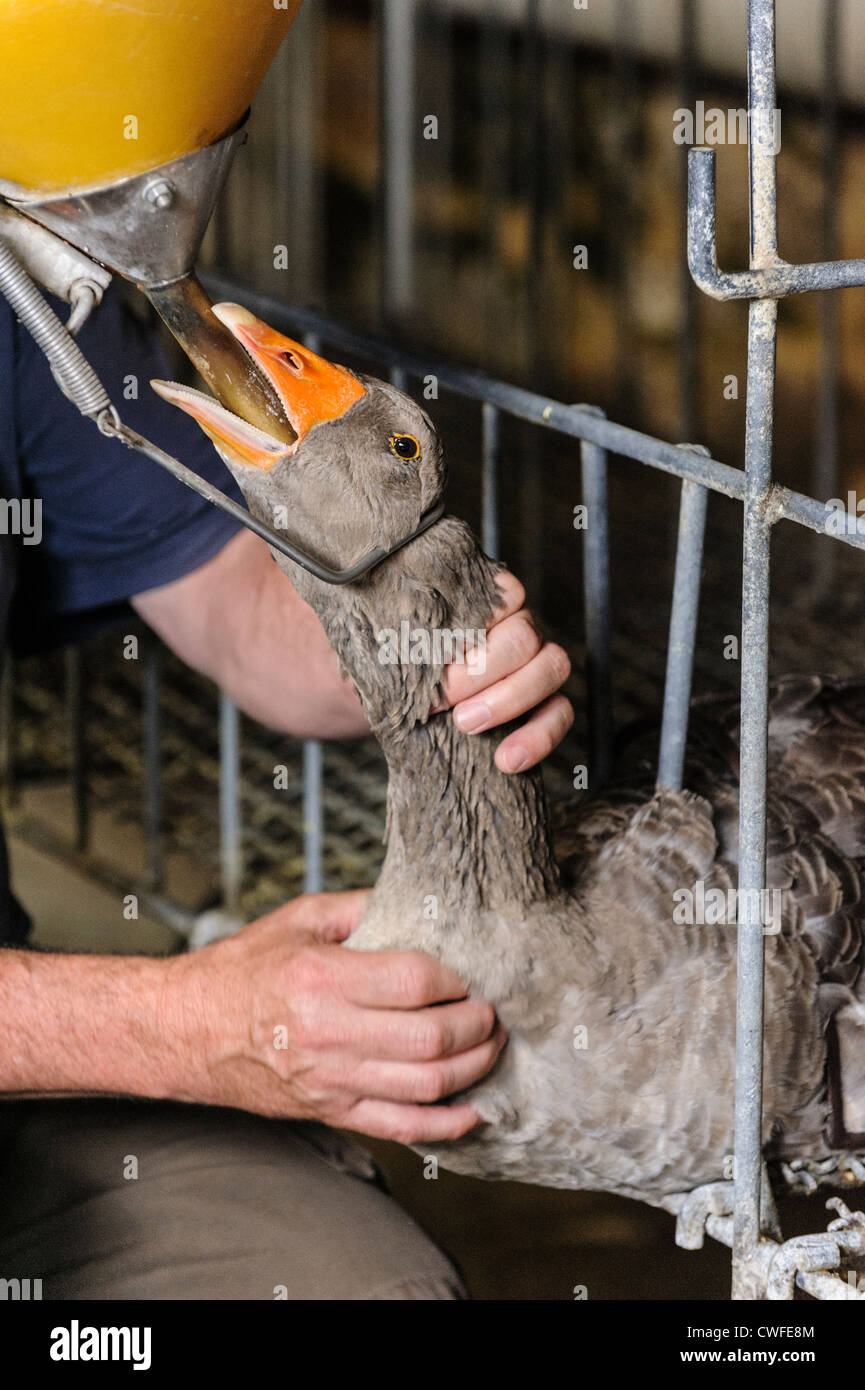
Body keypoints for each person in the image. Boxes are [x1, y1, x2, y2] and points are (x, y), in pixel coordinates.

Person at [0, 286, 574, 1300]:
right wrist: (181, 1025)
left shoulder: (26, 301)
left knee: (359, 1286)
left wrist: (424, 630)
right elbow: (177, 1029)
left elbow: (237, 609)